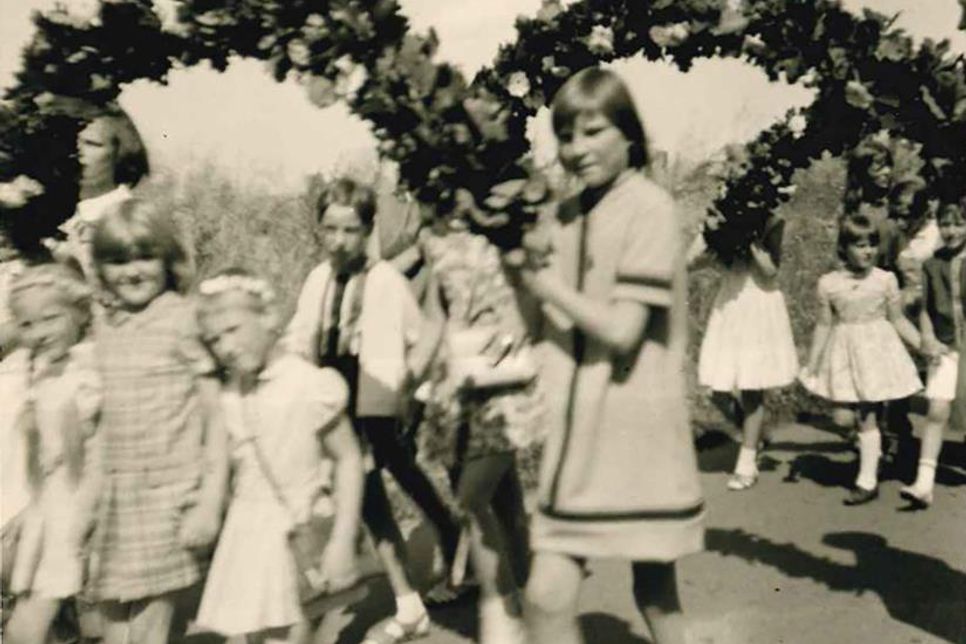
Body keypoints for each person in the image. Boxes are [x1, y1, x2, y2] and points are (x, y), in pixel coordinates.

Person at [508, 67, 705, 644]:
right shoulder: (564, 214)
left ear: (629, 134)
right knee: (551, 598)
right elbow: (536, 323)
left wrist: (545, 286)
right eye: (566, 136)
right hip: (577, 429)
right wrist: (518, 272)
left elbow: (623, 330)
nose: (577, 149)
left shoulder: (650, 208)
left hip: (634, 426)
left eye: (593, 132)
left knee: (652, 591)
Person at [285, 179, 461, 644]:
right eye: (330, 229)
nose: (339, 241)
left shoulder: (385, 282)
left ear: (367, 231)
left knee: (376, 492)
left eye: (350, 231)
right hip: (333, 403)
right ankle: (428, 561)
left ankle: (410, 590)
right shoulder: (318, 279)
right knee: (374, 493)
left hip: (375, 402)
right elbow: (301, 336)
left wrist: (413, 392)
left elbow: (420, 338)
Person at [193, 269, 365, 643]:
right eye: (214, 339)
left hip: (296, 524)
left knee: (289, 632)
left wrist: (342, 537)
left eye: (233, 329)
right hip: (246, 529)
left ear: (269, 318)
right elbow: (218, 466)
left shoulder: (308, 384)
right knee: (248, 632)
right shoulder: (229, 395)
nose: (225, 347)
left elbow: (349, 459)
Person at [86, 199, 228, 644]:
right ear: (100, 268)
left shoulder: (184, 319)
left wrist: (211, 499)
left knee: (149, 627)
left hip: (170, 492)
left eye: (145, 257)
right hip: (115, 496)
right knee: (111, 621)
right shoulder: (105, 324)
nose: (132, 272)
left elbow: (217, 414)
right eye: (117, 261)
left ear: (168, 259)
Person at [418, 219, 543, 644]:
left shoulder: (504, 224)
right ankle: (531, 609)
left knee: (472, 497)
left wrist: (507, 341)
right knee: (505, 502)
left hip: (505, 380)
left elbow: (531, 297)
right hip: (460, 385)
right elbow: (435, 315)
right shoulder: (433, 238)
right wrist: (410, 373)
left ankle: (503, 613)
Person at [3, 263, 102, 644]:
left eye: (50, 319)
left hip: (79, 508)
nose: (39, 332)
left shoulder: (88, 370)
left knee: (26, 626)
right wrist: (32, 508)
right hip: (51, 506)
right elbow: (48, 460)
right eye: (27, 325)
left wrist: (86, 515)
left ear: (80, 314)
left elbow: (98, 451)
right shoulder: (45, 370)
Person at [800, 214, 922, 505]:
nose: (868, 251)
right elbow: (824, 325)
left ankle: (867, 481)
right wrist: (812, 362)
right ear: (844, 248)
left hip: (876, 353)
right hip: (843, 352)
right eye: (860, 245)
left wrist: (923, 344)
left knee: (867, 415)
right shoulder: (829, 283)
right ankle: (874, 446)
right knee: (842, 419)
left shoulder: (885, 280)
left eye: (872, 245)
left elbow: (898, 319)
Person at [695, 210, 799, 490]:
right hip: (730, 305)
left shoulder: (772, 221)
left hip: (758, 304)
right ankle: (754, 435)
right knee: (717, 390)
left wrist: (750, 239)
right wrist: (712, 237)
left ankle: (747, 462)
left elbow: (771, 270)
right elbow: (692, 262)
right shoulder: (720, 217)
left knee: (751, 387)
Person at [902, 199, 966, 508]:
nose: (951, 231)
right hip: (946, 347)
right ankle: (924, 482)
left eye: (958, 224)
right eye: (945, 224)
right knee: (937, 409)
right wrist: (927, 337)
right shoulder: (931, 264)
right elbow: (926, 309)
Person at [56, 108, 150, 279]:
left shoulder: (133, 218)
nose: (76, 151)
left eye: (91, 144)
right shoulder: (48, 211)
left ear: (120, 154)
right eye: (70, 140)